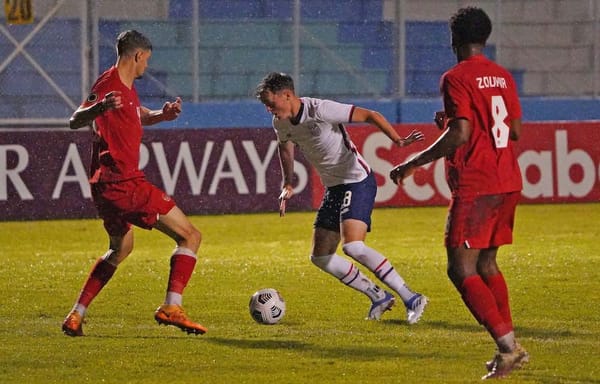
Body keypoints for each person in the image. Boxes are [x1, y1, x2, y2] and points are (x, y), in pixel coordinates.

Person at [389, 7, 528, 379]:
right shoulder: (502, 76)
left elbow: (461, 135)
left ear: (453, 40)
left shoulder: (455, 77)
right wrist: (455, 122)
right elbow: (513, 130)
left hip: (478, 183)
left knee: (459, 267)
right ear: (486, 37)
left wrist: (414, 161)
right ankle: (510, 347)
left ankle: (508, 348)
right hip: (507, 180)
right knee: (486, 264)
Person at [63, 30, 206, 336]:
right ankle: (172, 307)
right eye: (147, 60)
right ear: (138, 55)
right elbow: (75, 119)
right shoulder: (108, 85)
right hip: (124, 183)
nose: (147, 67)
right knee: (190, 236)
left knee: (120, 248)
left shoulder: (124, 88)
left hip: (105, 188)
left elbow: (134, 113)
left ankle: (76, 314)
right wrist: (99, 108)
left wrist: (161, 115)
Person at [255, 72, 428, 323]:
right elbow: (285, 146)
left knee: (353, 246)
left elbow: (370, 115)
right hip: (334, 187)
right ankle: (378, 296)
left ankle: (411, 297)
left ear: (288, 95)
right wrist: (288, 184)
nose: (269, 109)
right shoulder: (280, 123)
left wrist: (397, 140)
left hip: (357, 180)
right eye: (265, 105)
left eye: (271, 103)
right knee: (321, 256)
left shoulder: (321, 109)